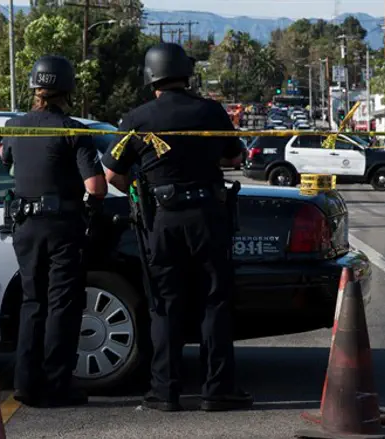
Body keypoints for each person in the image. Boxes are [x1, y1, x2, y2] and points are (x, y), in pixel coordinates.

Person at [101, 42, 252, 412]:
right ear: (186, 73)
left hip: (162, 220)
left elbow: (111, 175)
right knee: (214, 302)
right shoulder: (210, 111)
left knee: (164, 306)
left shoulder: (136, 119)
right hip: (207, 215)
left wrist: (141, 190)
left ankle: (164, 392)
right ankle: (217, 390)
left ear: (151, 77)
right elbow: (235, 156)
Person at [0, 54, 107, 408]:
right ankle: (56, 385)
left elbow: (7, 158)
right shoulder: (74, 131)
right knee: (62, 304)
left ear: (34, 86)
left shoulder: (15, 125)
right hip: (62, 226)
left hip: (24, 225)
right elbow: (96, 186)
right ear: (67, 88)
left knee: (33, 303)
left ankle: (25, 383)